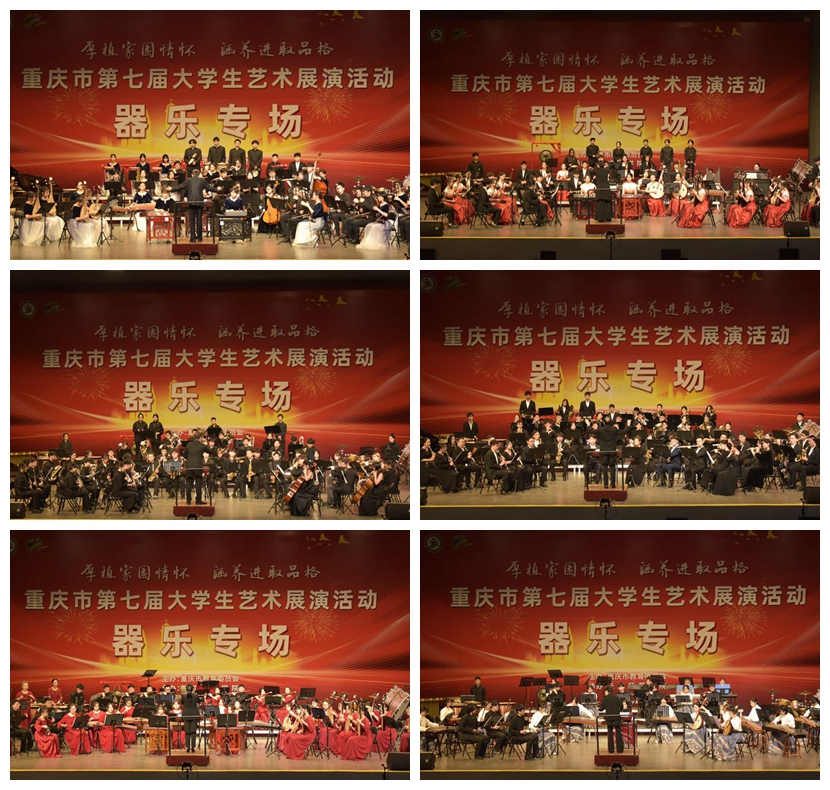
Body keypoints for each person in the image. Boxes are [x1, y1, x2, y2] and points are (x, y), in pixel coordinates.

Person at [175, 169, 214, 241]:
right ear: (199, 174)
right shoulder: (202, 180)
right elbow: (209, 188)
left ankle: (192, 237)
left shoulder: (188, 180)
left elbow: (180, 187)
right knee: (199, 220)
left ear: (192, 174)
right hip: (199, 202)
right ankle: (199, 237)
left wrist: (171, 189)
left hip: (191, 202)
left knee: (192, 220)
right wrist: (217, 189)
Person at [599, 684, 624, 753]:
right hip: (616, 716)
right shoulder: (616, 697)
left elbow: (601, 708)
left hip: (609, 717)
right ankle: (620, 749)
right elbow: (621, 706)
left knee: (610, 733)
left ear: (607, 691)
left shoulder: (605, 698)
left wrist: (597, 708)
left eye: (605, 691)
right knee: (618, 732)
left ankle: (611, 750)